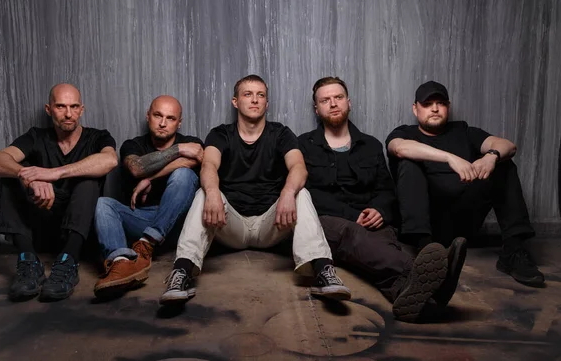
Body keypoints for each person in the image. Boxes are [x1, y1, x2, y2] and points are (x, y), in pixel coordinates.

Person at [159, 74, 351, 305]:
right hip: (230, 224)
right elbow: (209, 164)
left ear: (266, 103)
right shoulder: (220, 134)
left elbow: (298, 167)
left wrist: (288, 193)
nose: (254, 100)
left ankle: (323, 271)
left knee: (301, 192)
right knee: (204, 192)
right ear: (235, 101)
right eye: (247, 94)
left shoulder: (280, 133)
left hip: (272, 224)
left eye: (260, 95)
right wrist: (212, 193)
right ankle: (181, 272)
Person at [299, 77, 465, 322]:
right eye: (325, 100)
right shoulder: (304, 144)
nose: (333, 104)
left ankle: (415, 304)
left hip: (371, 221)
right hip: (328, 222)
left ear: (349, 102)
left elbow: (387, 190)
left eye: (338, 97)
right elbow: (306, 192)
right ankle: (430, 275)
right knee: (353, 234)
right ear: (317, 108)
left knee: (383, 250)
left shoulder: (371, 145)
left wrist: (379, 210)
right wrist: (351, 215)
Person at [386, 80, 544, 287]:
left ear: (448, 107)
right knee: (409, 164)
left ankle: (513, 251)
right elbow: (399, 148)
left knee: (503, 164)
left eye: (440, 103)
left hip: (462, 221)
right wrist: (450, 158)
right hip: (426, 226)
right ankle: (424, 254)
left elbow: (508, 146)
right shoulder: (405, 133)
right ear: (415, 109)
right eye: (427, 104)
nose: (434, 108)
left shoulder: (464, 131)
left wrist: (491, 156)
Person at [0, 83, 118, 301]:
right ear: (49, 109)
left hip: (77, 234)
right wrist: (27, 177)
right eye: (60, 107)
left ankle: (68, 262)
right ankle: (28, 262)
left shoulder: (97, 137)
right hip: (39, 230)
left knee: (89, 179)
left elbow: (110, 160)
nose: (68, 114)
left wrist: (52, 174)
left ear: (81, 109)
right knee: (9, 175)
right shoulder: (36, 137)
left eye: (74, 107)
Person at [93, 96, 203, 298]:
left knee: (183, 175)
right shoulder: (132, 145)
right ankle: (122, 264)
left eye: (170, 118)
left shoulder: (193, 143)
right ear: (148, 116)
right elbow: (137, 167)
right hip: (143, 220)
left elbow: (192, 163)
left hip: (179, 223)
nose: (162, 123)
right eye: (157, 115)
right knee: (103, 204)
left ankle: (148, 242)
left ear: (179, 122)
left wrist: (149, 177)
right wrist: (179, 150)